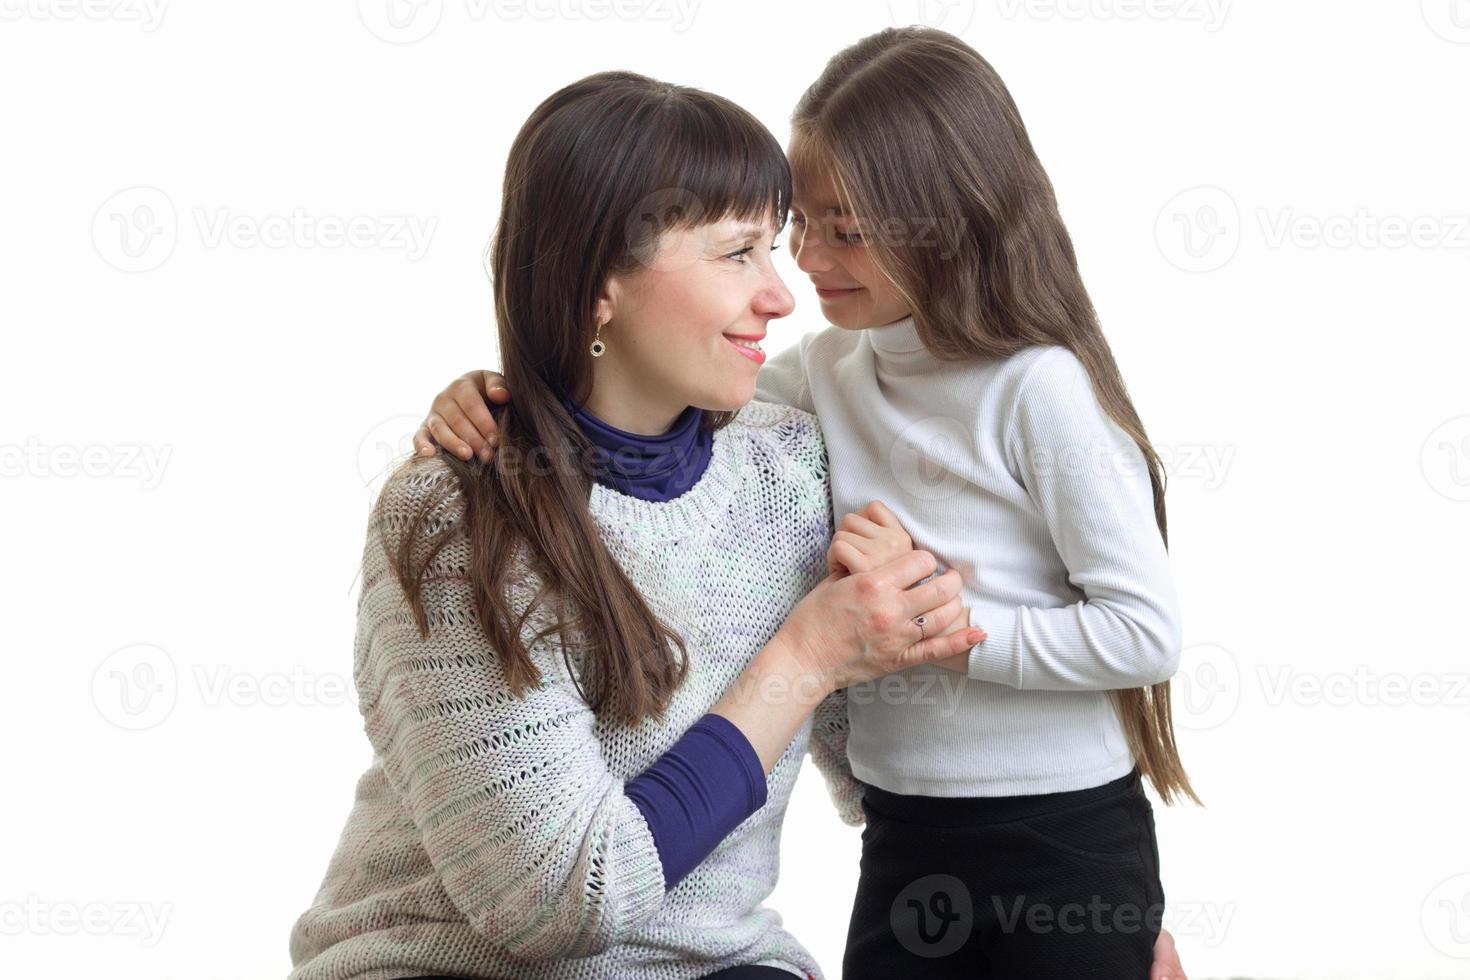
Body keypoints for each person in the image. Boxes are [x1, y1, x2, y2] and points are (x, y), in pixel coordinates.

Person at [407, 27, 1197, 980]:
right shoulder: (817, 384)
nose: (800, 275)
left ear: (951, 219)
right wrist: (497, 394)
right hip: (908, 828)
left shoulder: (1025, 392)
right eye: (777, 239)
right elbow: (628, 415)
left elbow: (1143, 631)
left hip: (1059, 828)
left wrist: (949, 630)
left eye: (839, 233)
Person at [286, 69, 982, 980]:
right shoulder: (461, 518)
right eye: (738, 253)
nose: (781, 294)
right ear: (598, 284)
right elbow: (556, 903)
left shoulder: (790, 468)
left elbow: (894, 775)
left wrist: (1098, 932)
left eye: (775, 247)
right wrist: (804, 658)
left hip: (714, 964)